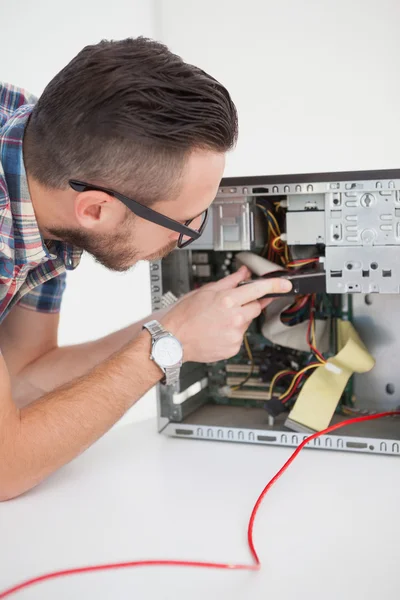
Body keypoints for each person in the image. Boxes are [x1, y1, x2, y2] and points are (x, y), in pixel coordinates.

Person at [0, 37, 291, 501]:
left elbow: (23, 372)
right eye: (182, 225)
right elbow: (5, 469)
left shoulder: (41, 145)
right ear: (95, 209)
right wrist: (167, 346)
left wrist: (178, 323)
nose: (184, 240)